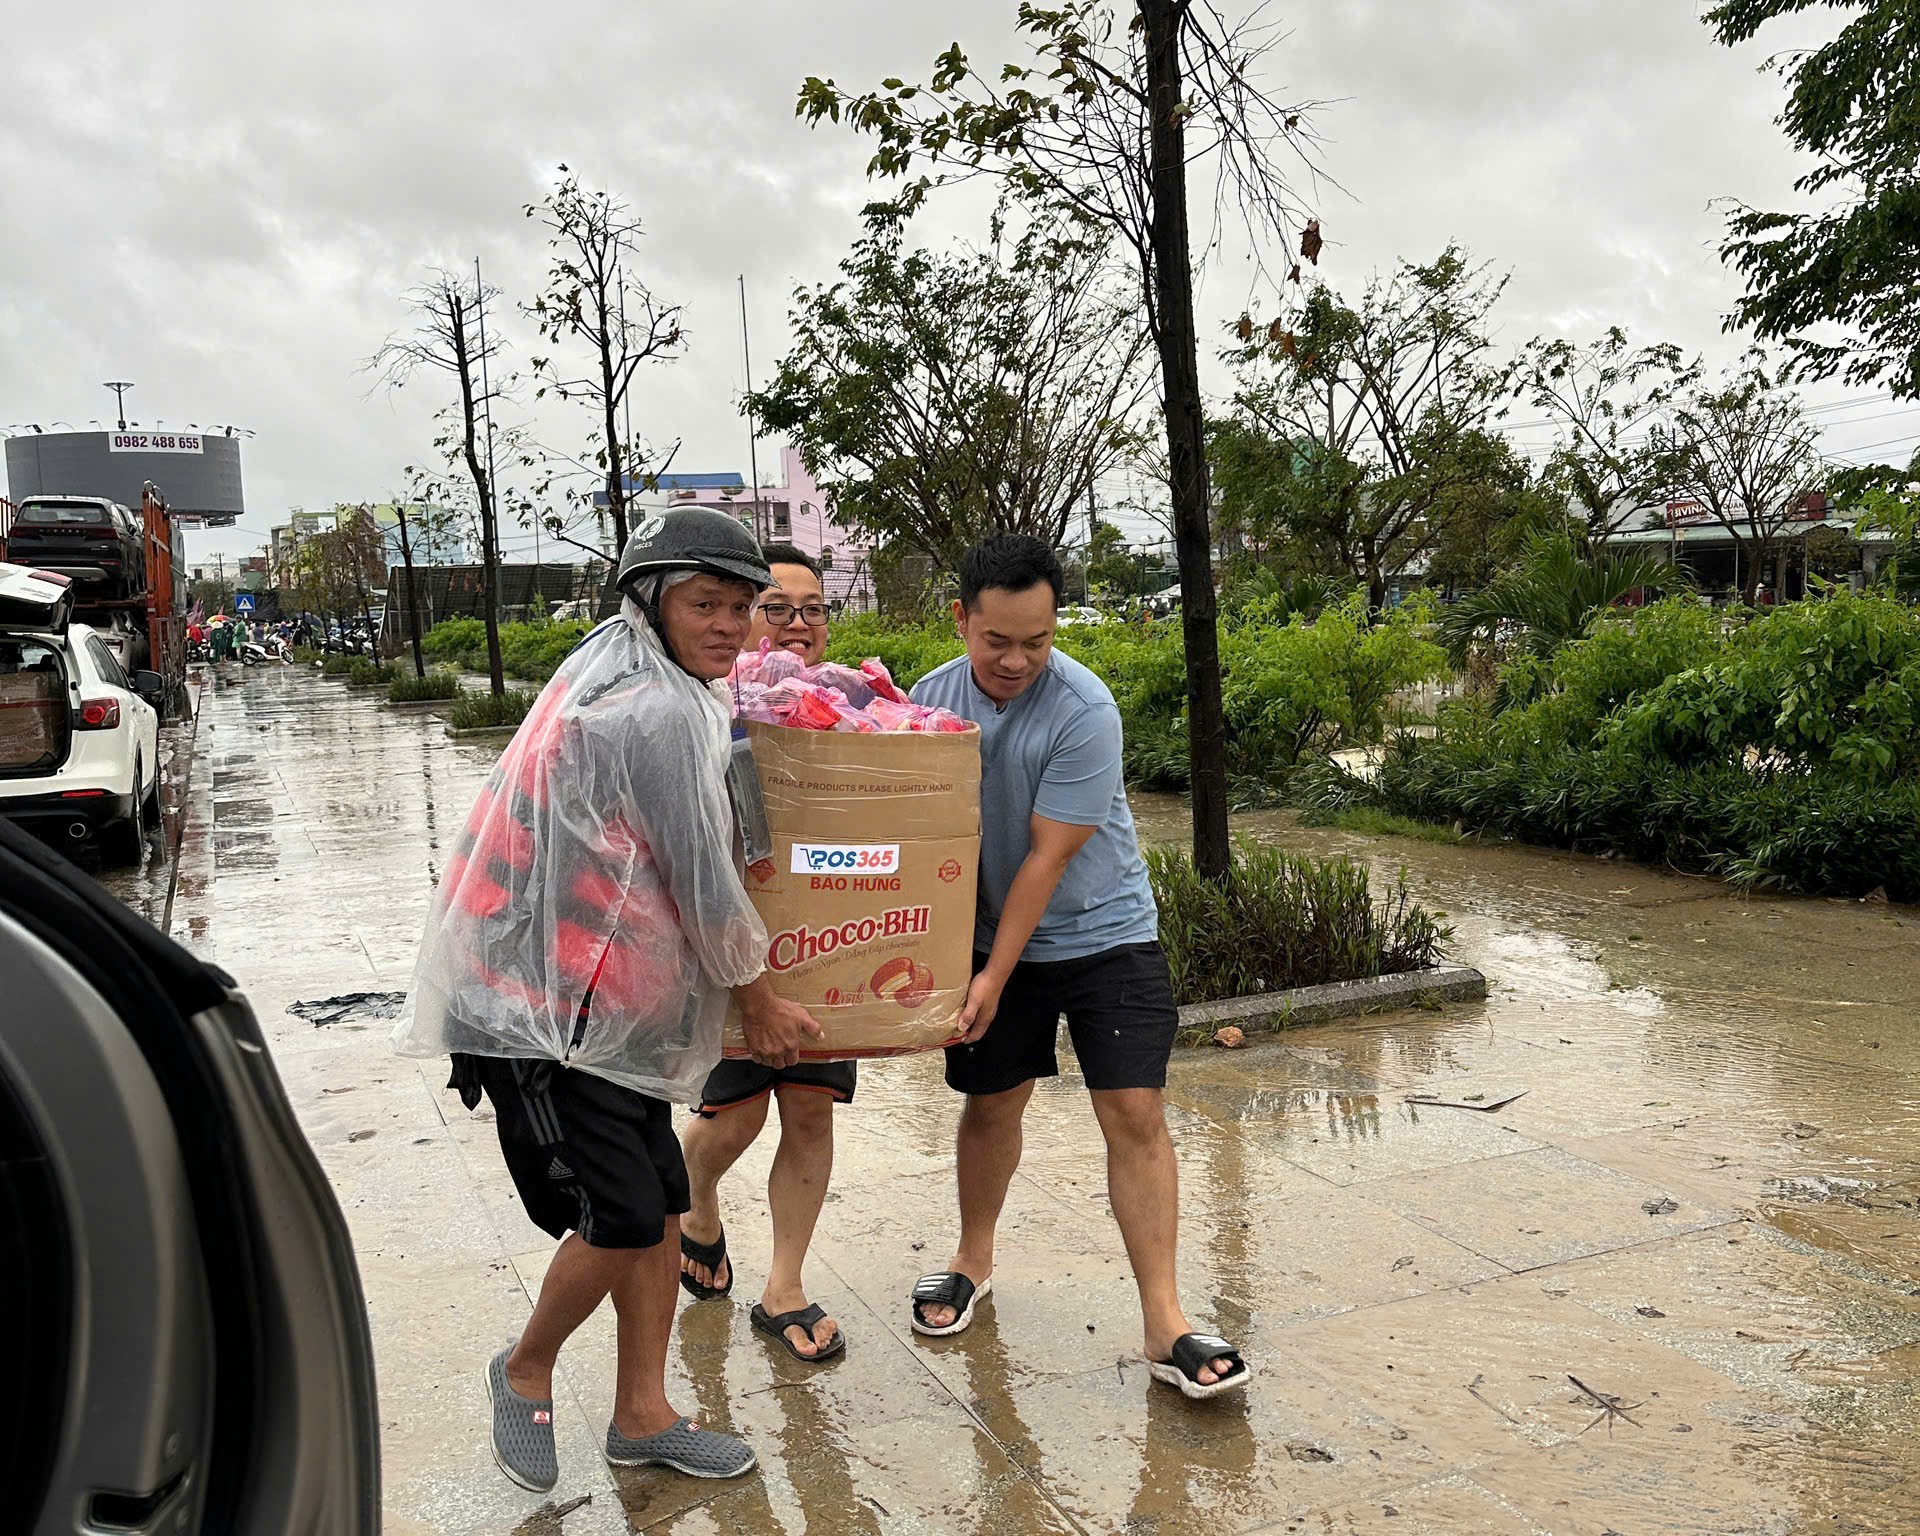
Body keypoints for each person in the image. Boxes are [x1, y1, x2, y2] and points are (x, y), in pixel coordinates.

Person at [393, 509, 825, 1492]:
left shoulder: (656, 683)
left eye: (741, 606)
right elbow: (701, 883)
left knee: (665, 1205)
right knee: (625, 1215)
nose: (729, 624)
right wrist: (754, 999)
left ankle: (642, 1416)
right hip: (547, 1017)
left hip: (607, 1010)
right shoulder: (661, 710)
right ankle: (525, 1367)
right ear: (651, 602)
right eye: (704, 604)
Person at [905, 535, 1249, 1400]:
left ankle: (1164, 1320)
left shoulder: (1085, 709)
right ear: (962, 620)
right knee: (993, 1102)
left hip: (1107, 934)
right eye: (997, 641)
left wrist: (991, 978)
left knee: (1135, 1111)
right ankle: (971, 1261)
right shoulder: (927, 703)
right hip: (988, 935)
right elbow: (917, 843)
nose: (1017, 660)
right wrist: (939, 960)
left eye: (1037, 641)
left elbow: (1046, 861)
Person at [676, 543, 849, 1363]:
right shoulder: (703, 712)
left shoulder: (851, 707)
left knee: (810, 1107)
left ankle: (785, 1287)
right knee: (736, 1116)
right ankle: (696, 1201)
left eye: (812, 608)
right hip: (732, 957)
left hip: (829, 949)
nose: (797, 625)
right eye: (776, 608)